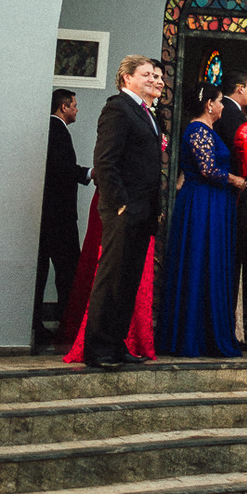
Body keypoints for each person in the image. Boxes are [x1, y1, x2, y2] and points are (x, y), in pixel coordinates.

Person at [83, 54, 165, 368]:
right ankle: (98, 349)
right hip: (123, 211)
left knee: (128, 281)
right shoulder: (118, 108)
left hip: (143, 212)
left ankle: (116, 345)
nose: (156, 81)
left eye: (158, 77)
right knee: (112, 279)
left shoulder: (147, 114)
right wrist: (120, 206)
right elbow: (106, 161)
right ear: (127, 78)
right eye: (148, 75)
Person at [157, 83, 247, 356]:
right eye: (220, 101)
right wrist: (236, 179)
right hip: (203, 203)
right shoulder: (197, 129)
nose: (222, 106)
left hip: (210, 201)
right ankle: (193, 334)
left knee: (209, 260)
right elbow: (208, 169)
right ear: (209, 104)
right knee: (200, 259)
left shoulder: (206, 130)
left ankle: (205, 331)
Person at [33, 88, 91, 350]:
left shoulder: (53, 130)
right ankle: (66, 324)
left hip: (50, 215)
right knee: (68, 271)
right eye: (75, 106)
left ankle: (42, 324)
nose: (77, 110)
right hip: (59, 216)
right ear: (64, 107)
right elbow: (61, 169)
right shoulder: (56, 130)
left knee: (45, 271)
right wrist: (89, 173)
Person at [216, 66, 247, 338]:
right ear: (239, 88)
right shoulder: (232, 115)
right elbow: (241, 155)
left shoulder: (233, 114)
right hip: (233, 197)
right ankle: (226, 329)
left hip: (236, 196)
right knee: (231, 262)